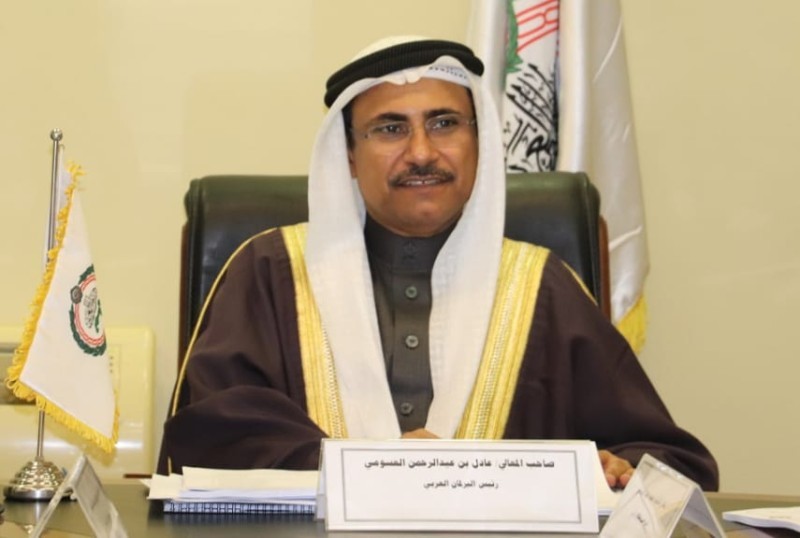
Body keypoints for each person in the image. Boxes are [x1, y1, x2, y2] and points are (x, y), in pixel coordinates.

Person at [159, 36, 719, 491]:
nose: (422, 152)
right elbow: (209, 442)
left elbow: (668, 463)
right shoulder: (270, 272)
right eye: (390, 128)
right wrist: (369, 470)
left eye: (445, 123)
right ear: (348, 155)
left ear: (479, 142)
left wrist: (615, 470)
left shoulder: (540, 285)